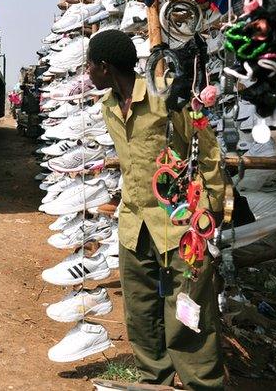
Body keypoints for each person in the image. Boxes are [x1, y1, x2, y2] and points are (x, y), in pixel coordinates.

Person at [86, 30, 225, 390]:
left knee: (188, 314)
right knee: (142, 312)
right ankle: (154, 381)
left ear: (104, 66)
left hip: (181, 228)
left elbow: (206, 151)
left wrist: (213, 210)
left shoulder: (166, 95)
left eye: (90, 65)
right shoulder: (108, 107)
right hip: (135, 226)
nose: (87, 72)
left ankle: (202, 383)